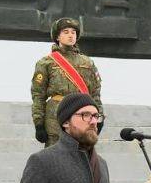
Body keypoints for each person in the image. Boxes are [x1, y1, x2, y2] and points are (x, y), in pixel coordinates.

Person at [30, 17, 103, 148]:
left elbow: (95, 93)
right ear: (57, 36)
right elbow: (38, 95)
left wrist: (99, 117)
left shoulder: (87, 63)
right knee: (55, 157)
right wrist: (39, 123)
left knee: (82, 155)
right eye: (66, 32)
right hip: (55, 118)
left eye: (73, 32)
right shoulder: (46, 62)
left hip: (82, 116)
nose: (70, 35)